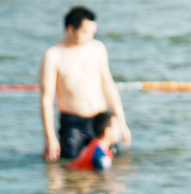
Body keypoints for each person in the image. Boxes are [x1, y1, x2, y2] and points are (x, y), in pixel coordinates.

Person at [40, 6, 133, 161]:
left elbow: (109, 86)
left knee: (109, 170)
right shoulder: (53, 55)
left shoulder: (97, 48)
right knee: (73, 171)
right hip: (73, 123)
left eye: (93, 32)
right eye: (85, 32)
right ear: (70, 30)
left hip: (101, 121)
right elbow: (46, 100)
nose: (90, 37)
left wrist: (121, 122)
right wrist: (50, 137)